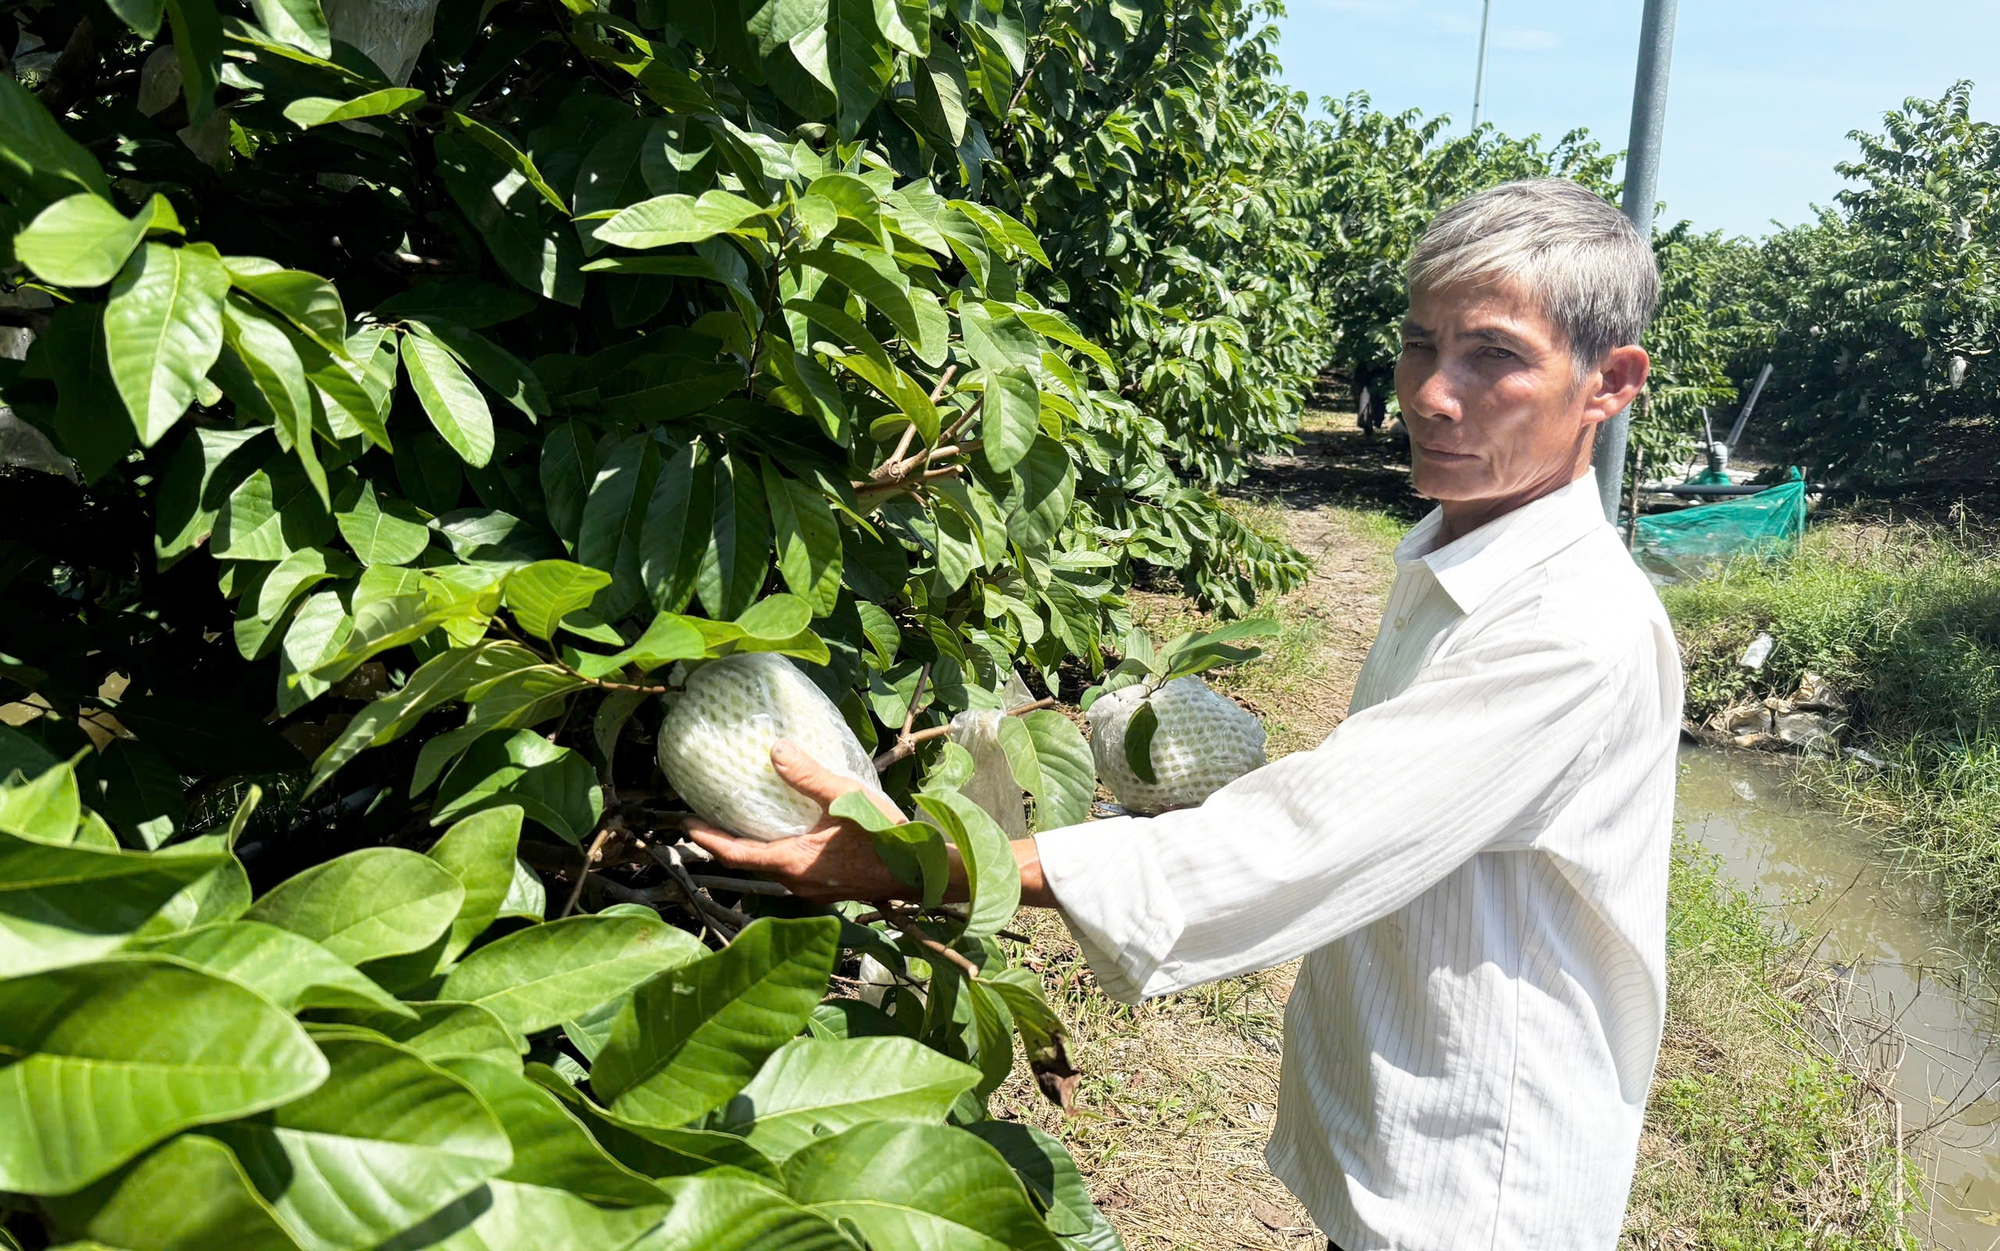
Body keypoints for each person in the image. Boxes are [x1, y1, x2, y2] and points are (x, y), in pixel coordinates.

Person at [688, 178, 1683, 1251]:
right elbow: (1373, 800)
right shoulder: (1460, 553)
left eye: (1492, 356)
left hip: (1481, 1180)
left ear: (1607, 383)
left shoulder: (1571, 628)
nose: (1430, 394)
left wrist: (911, 861)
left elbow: (1304, 846)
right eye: (1416, 345)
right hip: (1411, 1118)